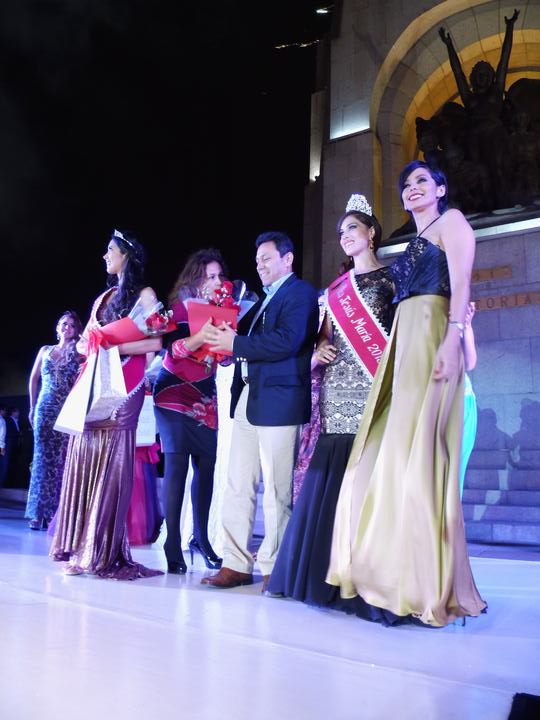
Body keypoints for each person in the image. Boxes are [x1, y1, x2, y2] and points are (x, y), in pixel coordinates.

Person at [327, 161, 487, 627]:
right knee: (380, 458)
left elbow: (462, 283)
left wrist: (454, 338)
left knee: (422, 464)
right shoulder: (413, 241)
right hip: (405, 341)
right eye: (406, 185)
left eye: (422, 181)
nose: (413, 188)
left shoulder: (452, 222)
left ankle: (426, 586)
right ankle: (390, 575)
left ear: (440, 188)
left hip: (433, 333)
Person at [266, 196, 395, 616]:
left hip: (375, 388)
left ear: (371, 232)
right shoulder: (335, 291)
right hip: (337, 392)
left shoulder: (393, 279)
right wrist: (318, 350)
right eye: (340, 232)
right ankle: (321, 578)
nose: (345, 236)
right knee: (331, 482)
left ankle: (368, 581)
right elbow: (324, 336)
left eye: (352, 228)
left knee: (367, 479)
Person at [200, 231, 319, 590]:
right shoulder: (260, 301)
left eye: (267, 258)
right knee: (238, 483)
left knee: (277, 490)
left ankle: (275, 567)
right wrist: (225, 345)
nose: (260, 265)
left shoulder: (300, 293)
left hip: (280, 401)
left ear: (288, 259)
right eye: (257, 260)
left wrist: (235, 343)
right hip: (248, 397)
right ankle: (235, 562)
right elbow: (246, 344)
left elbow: (288, 341)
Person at [50, 229, 163, 580]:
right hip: (95, 384)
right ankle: (79, 545)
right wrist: (91, 345)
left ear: (126, 255)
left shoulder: (145, 295)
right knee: (85, 454)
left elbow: (155, 343)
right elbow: (83, 344)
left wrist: (113, 346)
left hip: (126, 387)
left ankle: (98, 552)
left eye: (110, 250)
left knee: (111, 464)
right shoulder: (104, 297)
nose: (105, 256)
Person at [153, 248, 228, 574]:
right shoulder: (180, 308)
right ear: (197, 279)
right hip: (173, 391)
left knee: (207, 466)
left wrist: (226, 346)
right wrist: (201, 336)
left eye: (219, 276)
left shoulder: (225, 311)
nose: (217, 281)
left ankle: (201, 539)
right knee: (177, 466)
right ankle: (172, 542)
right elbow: (172, 350)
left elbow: (225, 358)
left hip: (205, 395)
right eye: (210, 276)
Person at [25, 311, 83, 530]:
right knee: (40, 458)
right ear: (57, 327)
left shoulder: (78, 353)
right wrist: (32, 408)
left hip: (65, 410)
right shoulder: (45, 351)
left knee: (60, 462)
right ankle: (36, 513)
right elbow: (33, 379)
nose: (67, 327)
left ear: (76, 330)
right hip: (43, 409)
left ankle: (53, 514)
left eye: (72, 325)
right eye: (64, 324)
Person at [460, 301, 478, 498]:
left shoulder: (455, 320)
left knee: (455, 468)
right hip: (427, 400)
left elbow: (470, 363)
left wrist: (466, 325)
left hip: (460, 401)